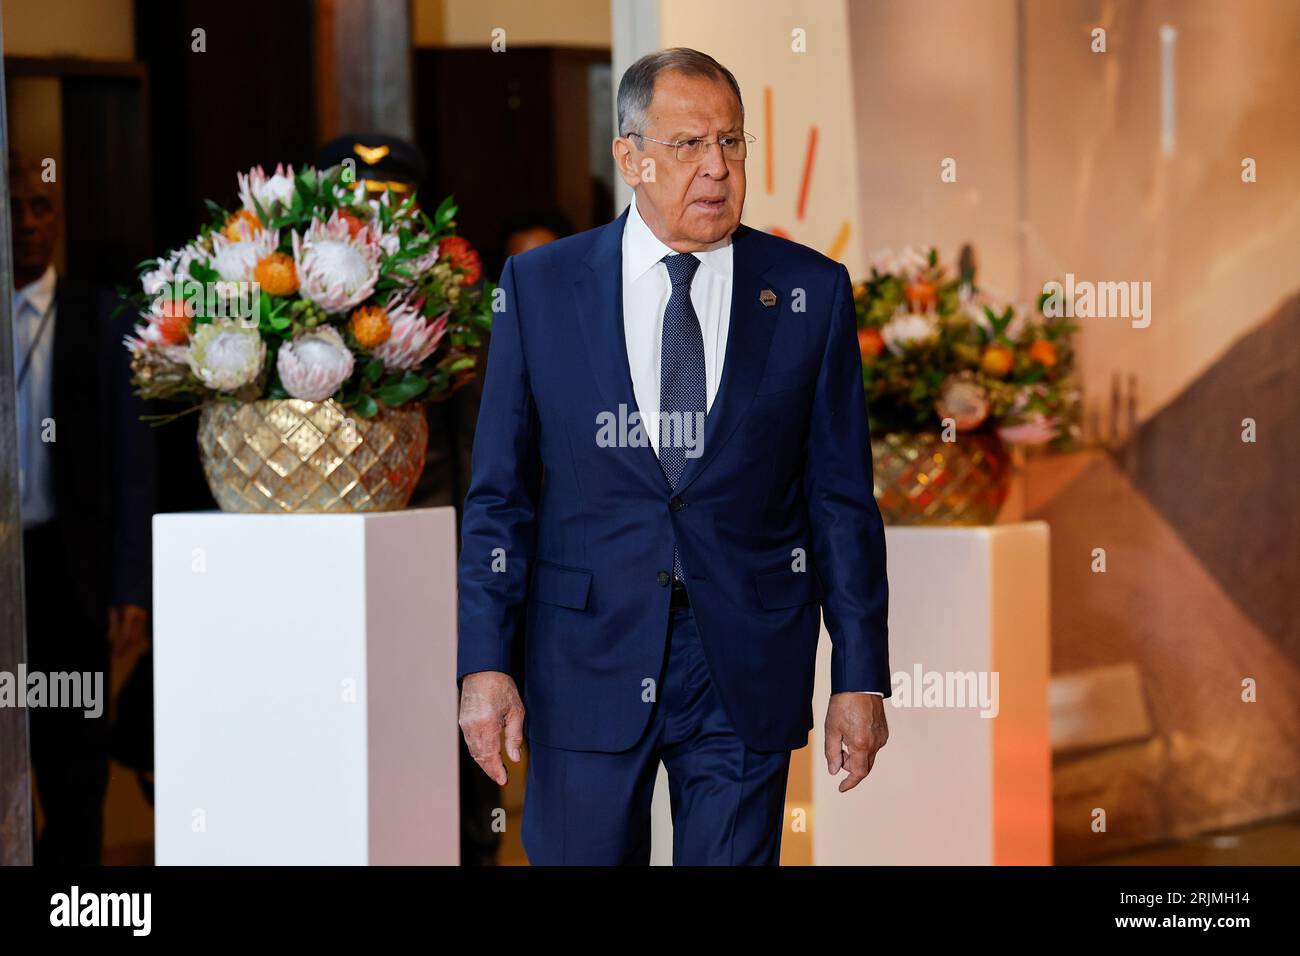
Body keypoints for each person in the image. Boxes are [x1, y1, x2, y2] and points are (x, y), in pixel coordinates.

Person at [456, 48, 891, 866]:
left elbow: (840, 501)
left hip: (744, 659)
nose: (717, 169)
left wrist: (859, 677)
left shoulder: (809, 291)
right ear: (630, 157)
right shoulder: (541, 287)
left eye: (732, 143)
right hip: (583, 654)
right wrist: (485, 664)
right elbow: (499, 498)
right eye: (689, 145)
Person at [315, 133, 500, 865]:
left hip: (437, 556)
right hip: (337, 561)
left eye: (388, 210)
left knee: (456, 744)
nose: (372, 228)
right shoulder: (301, 304)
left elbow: (481, 452)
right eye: (357, 210)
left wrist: (472, 572)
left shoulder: (459, 306)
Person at [10, 152, 155, 864]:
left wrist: (131, 584)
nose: (28, 224)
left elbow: (132, 465)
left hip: (68, 573)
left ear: (60, 220)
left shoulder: (100, 319)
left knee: (75, 772)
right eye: (14, 208)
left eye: (41, 207)